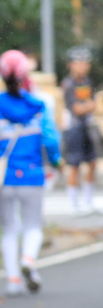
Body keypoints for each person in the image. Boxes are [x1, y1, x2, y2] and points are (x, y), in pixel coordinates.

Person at [0, 49, 61, 297]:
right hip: (32, 174)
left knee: (8, 229)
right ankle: (28, 259)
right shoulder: (39, 106)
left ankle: (13, 280)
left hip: (2, 177)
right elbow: (50, 141)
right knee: (33, 226)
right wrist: (57, 161)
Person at [60, 46, 98, 214]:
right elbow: (76, 109)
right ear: (71, 65)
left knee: (92, 163)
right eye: (79, 62)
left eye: (85, 62)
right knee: (74, 165)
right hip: (74, 128)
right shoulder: (68, 84)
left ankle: (88, 201)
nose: (83, 66)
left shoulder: (87, 82)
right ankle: (73, 204)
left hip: (88, 126)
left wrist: (89, 107)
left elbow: (92, 105)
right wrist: (91, 106)